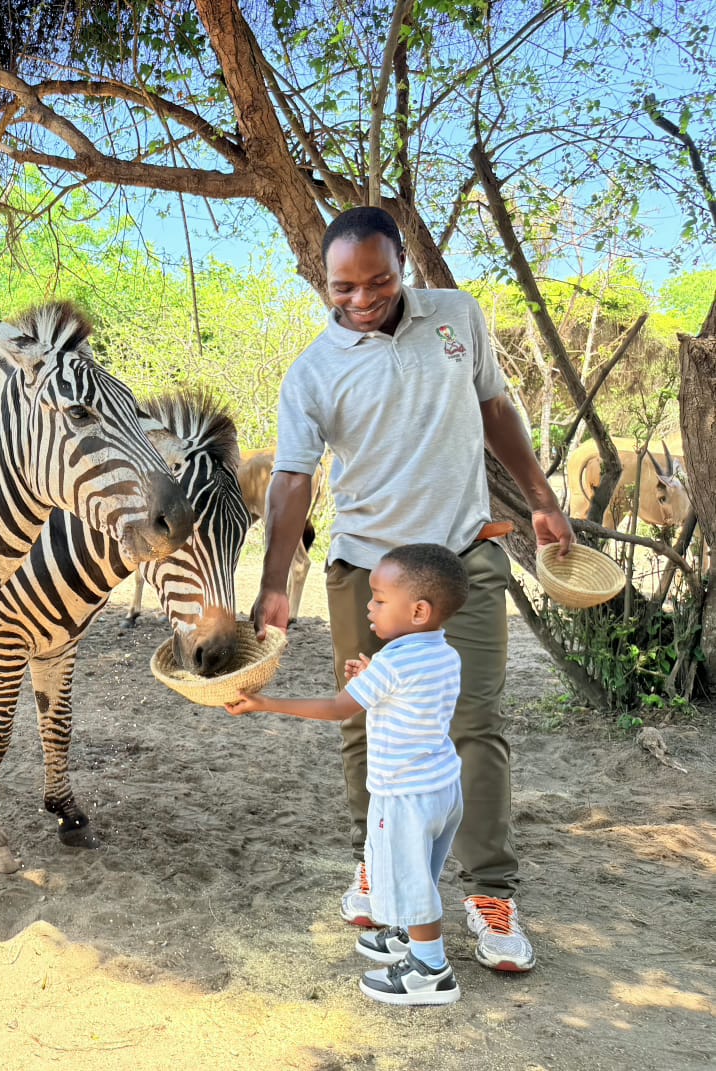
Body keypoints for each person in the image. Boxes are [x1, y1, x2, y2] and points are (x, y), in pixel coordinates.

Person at [250, 205, 573, 974]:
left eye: (378, 280)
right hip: (366, 569)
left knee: (473, 720)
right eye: (343, 286)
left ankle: (490, 890)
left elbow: (496, 409)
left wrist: (539, 493)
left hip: (461, 560)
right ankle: (377, 859)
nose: (361, 298)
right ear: (323, 282)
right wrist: (274, 581)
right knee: (366, 721)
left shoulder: (457, 316)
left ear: (404, 266)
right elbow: (293, 477)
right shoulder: (315, 369)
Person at [229, 543, 470, 1005]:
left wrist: (265, 702)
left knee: (409, 877)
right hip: (442, 789)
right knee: (419, 869)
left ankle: (430, 970)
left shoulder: (395, 663)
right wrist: (373, 675)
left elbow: (340, 708)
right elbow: (408, 698)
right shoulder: (443, 655)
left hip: (403, 795)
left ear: (418, 610)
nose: (369, 606)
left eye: (379, 599)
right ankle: (407, 935)